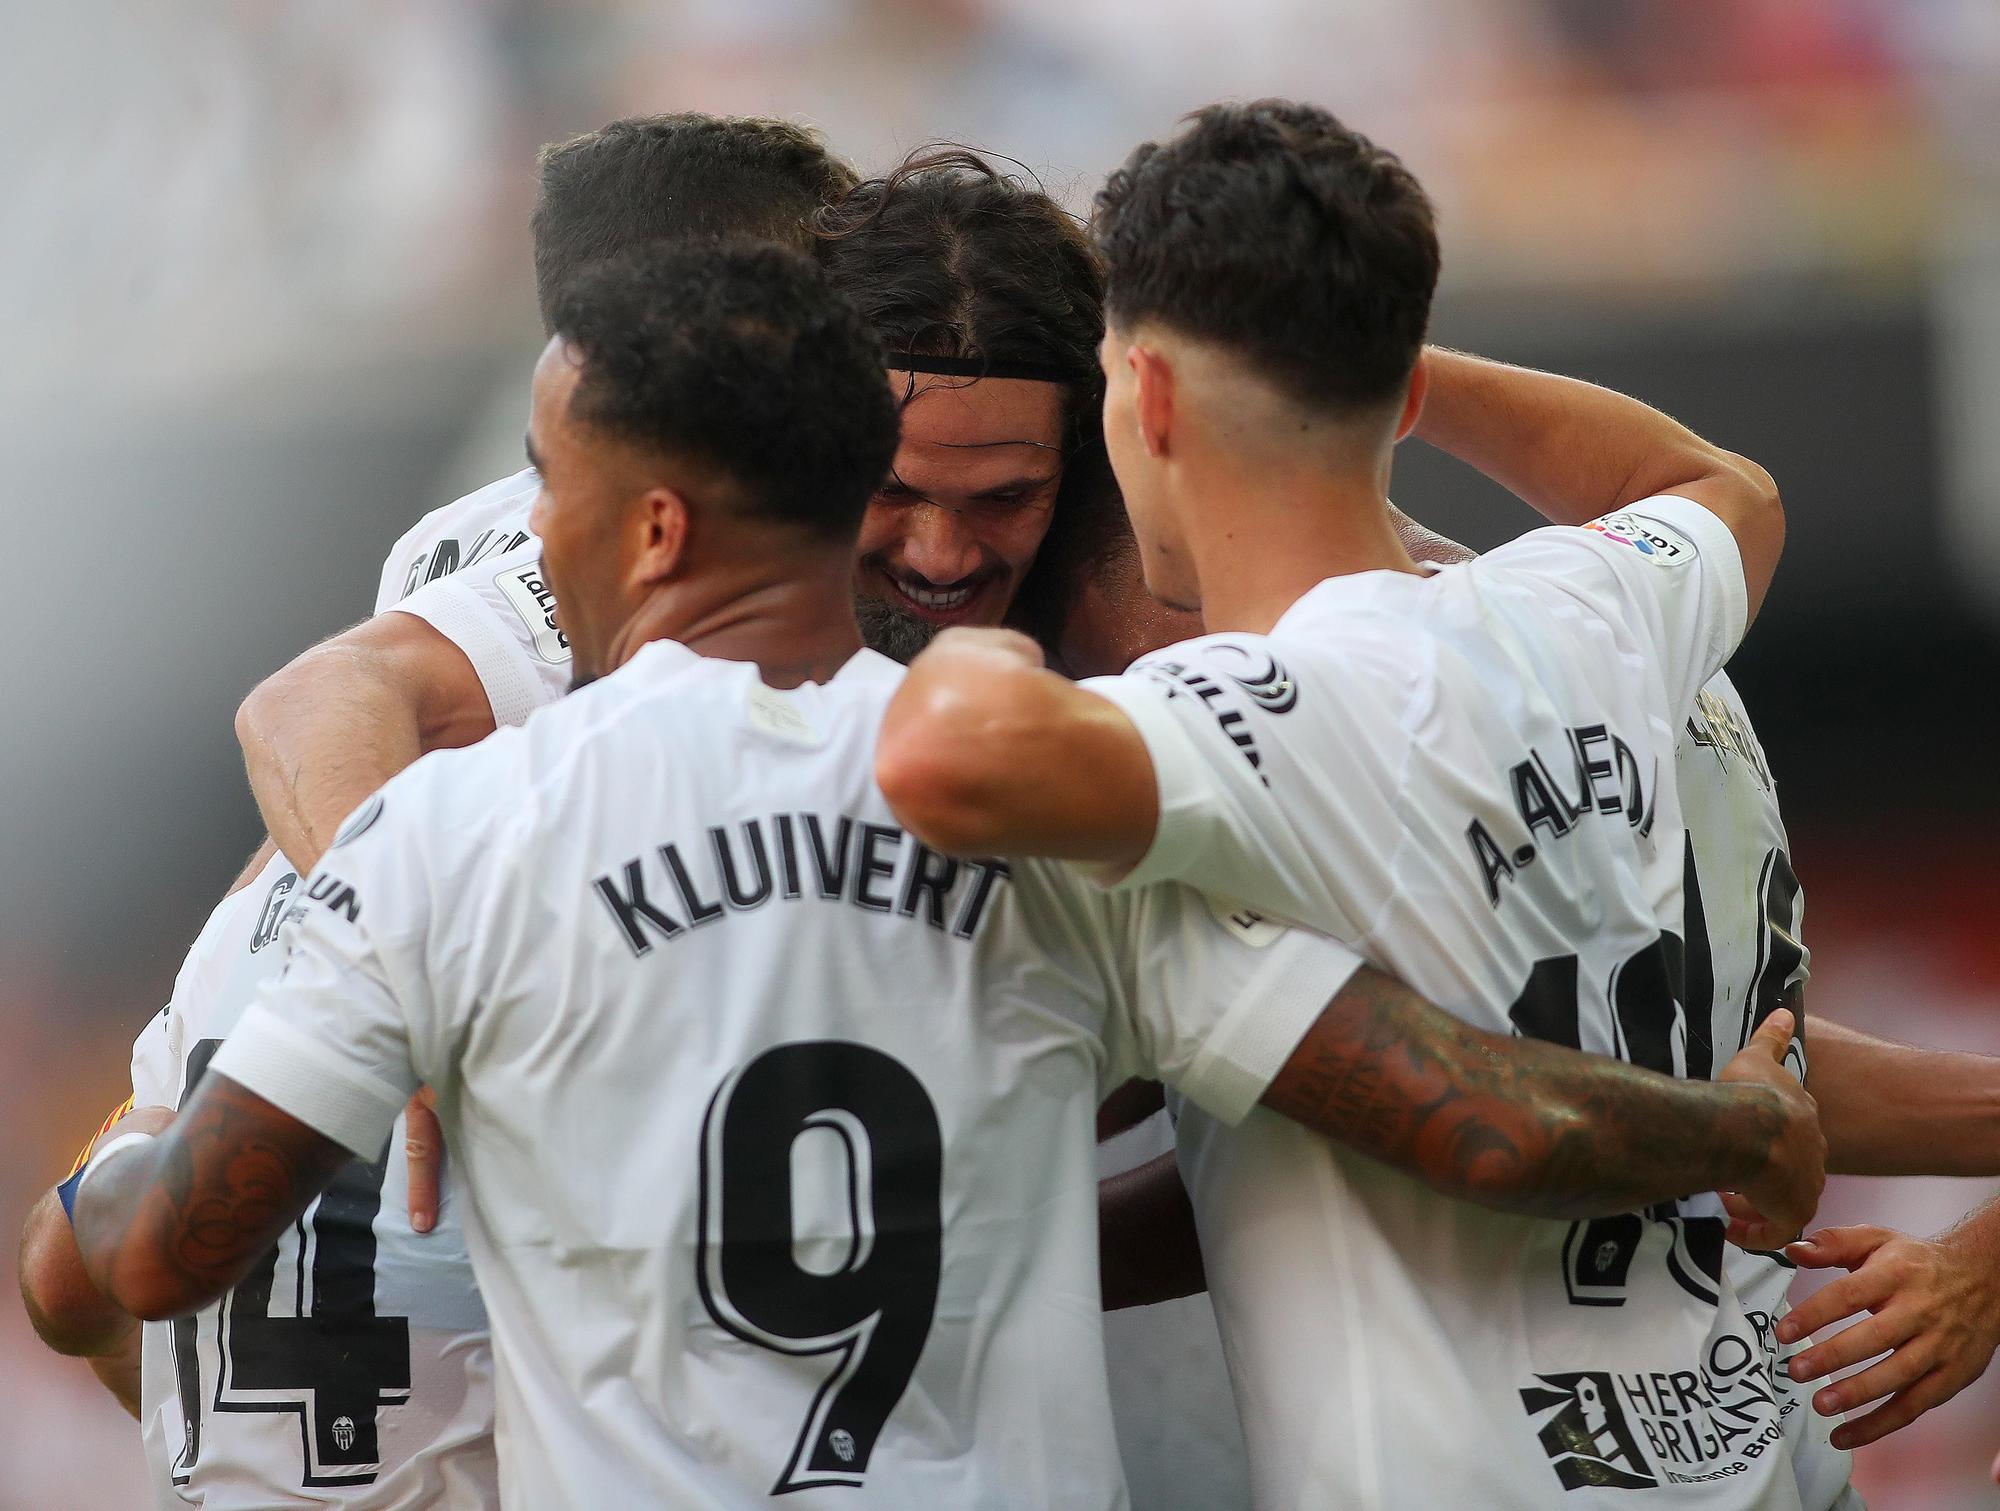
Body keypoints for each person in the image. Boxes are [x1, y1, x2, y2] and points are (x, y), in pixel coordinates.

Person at [66, 244, 1816, 1510]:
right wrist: (1750, 1133)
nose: (542, 536)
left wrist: (98, 1202)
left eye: (557, 495)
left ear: (658, 523)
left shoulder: (451, 838)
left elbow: (163, 1256)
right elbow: (1480, 1122)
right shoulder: (1060, 834)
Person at [877, 99, 1812, 1506]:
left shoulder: (1243, 719)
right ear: (1399, 384)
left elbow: (944, 755)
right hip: (1740, 1458)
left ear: (1148, 397)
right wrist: (1367, 357)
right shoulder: (1587, 605)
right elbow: (1715, 482)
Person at [16, 112, 861, 1507]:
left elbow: (74, 1279)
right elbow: (304, 704)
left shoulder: (452, 645)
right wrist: (402, 999)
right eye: (834, 301)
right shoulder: (595, 551)